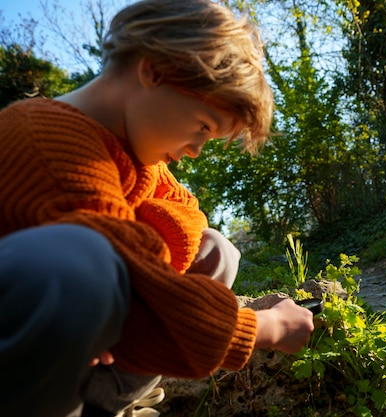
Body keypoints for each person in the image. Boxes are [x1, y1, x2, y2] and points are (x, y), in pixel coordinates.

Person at [0, 1, 315, 416]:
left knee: (214, 249)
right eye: (203, 125)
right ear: (153, 71)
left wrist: (139, 264)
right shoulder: (45, 137)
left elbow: (185, 215)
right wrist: (267, 327)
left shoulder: (136, 152)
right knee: (85, 257)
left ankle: (108, 402)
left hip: (80, 352)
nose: (198, 151)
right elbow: (140, 286)